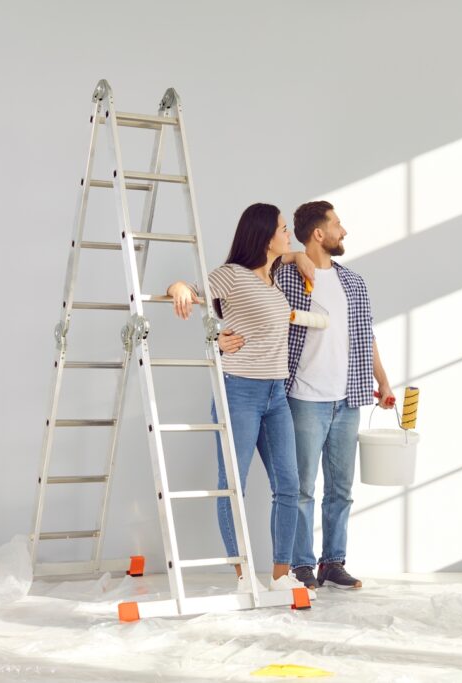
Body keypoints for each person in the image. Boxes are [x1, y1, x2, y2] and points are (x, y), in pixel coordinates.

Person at [220, 200, 393, 590]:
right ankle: (300, 565)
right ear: (319, 233)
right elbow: (245, 295)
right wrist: (218, 338)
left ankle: (333, 562)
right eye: (337, 224)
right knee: (299, 488)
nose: (343, 231)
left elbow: (366, 338)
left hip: (347, 398)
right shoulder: (282, 275)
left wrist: (383, 382)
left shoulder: (354, 282)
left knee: (341, 490)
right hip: (300, 396)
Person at [166, 202, 307, 595]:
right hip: (240, 389)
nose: (288, 234)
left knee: (289, 485)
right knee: (233, 485)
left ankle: (281, 575)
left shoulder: (273, 279)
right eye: (282, 228)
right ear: (263, 235)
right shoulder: (232, 275)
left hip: (276, 393)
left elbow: (295, 255)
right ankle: (243, 576)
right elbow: (192, 292)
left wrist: (295, 255)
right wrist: (178, 289)